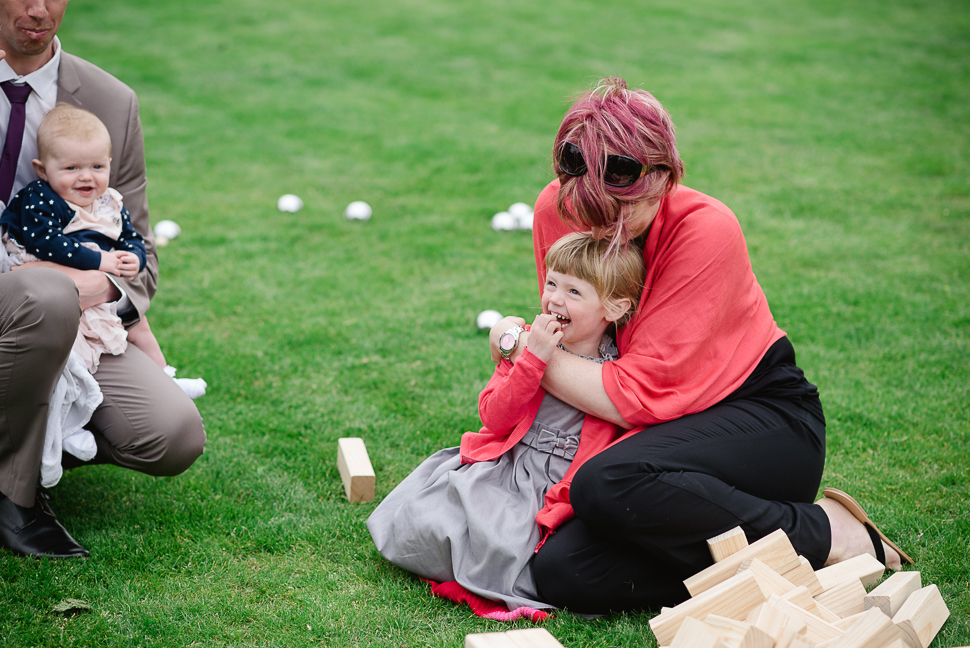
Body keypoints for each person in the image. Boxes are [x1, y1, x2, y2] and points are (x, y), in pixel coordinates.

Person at [488, 77, 913, 614]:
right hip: (657, 437)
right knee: (562, 571)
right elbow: (574, 335)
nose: (602, 232)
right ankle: (774, 562)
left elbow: (627, 394)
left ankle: (827, 532)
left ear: (663, 177)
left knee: (607, 482)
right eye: (588, 211)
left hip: (760, 420)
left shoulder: (706, 229)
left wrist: (517, 345)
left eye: (619, 213)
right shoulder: (558, 207)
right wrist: (537, 348)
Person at [0, 0, 205, 559]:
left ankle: (43, 425)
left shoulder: (112, 101)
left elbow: (136, 242)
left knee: (174, 434)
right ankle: (15, 495)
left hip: (73, 308)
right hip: (22, 284)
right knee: (43, 293)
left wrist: (107, 285)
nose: (38, 9)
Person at [368, 232, 646, 614]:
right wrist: (531, 360)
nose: (555, 299)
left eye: (574, 292)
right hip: (510, 467)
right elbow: (494, 417)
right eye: (551, 283)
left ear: (613, 308)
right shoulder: (527, 344)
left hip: (561, 486)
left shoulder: (618, 371)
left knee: (516, 551)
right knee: (432, 522)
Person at [1, 102, 166, 372]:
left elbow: (130, 236)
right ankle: (74, 382)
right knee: (69, 337)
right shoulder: (40, 197)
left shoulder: (109, 202)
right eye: (72, 168)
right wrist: (100, 260)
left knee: (137, 320)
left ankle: (166, 374)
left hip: (90, 268)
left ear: (109, 164)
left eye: (97, 166)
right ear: (42, 170)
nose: (86, 177)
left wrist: (133, 257)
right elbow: (45, 242)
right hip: (45, 267)